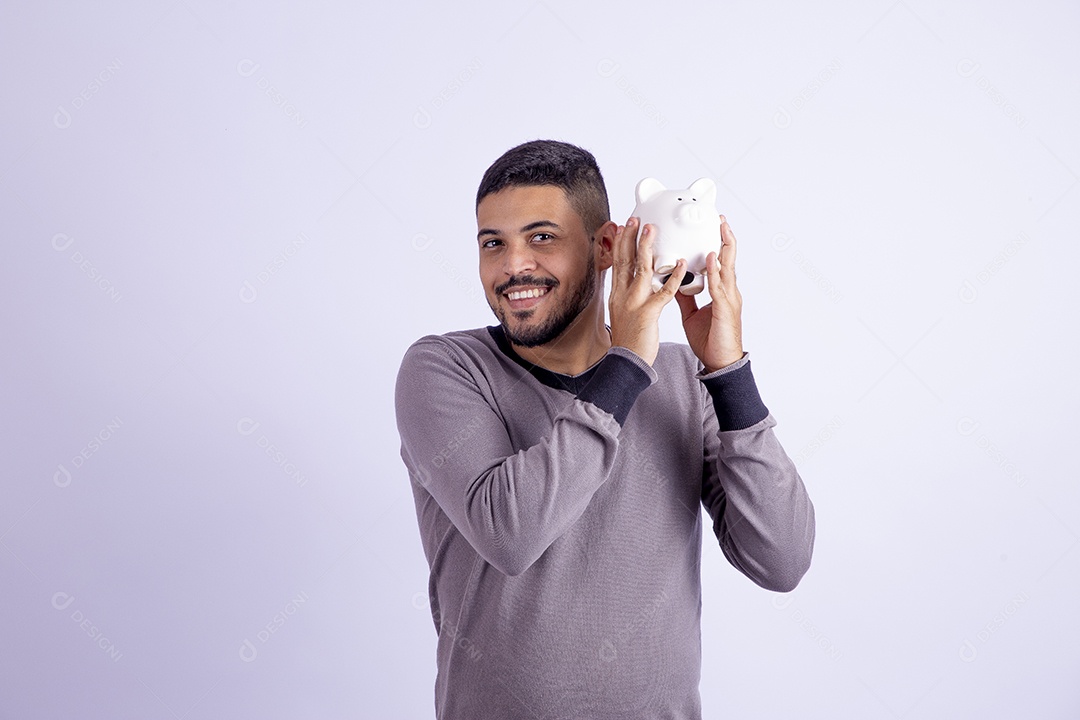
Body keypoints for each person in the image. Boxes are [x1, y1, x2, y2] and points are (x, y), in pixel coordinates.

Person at [394, 139, 815, 719]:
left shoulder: (684, 379)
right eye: (494, 243)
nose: (514, 265)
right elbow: (510, 534)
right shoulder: (444, 369)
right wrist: (626, 364)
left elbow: (781, 560)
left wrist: (728, 373)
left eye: (541, 237)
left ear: (607, 247)